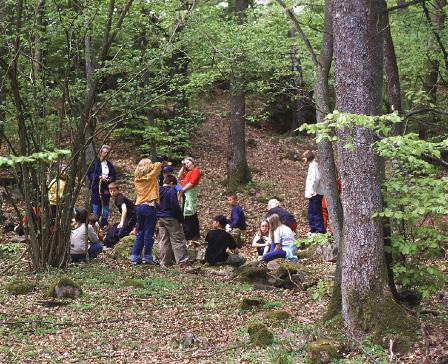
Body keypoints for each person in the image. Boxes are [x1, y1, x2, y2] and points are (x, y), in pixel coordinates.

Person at [130, 158, 162, 264]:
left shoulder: (137, 179)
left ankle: (135, 256)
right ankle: (147, 256)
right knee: (149, 232)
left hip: (139, 207)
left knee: (140, 232)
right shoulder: (150, 177)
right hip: (149, 207)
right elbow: (158, 164)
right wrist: (152, 166)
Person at [156, 175, 189, 266]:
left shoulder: (158, 189)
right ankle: (182, 262)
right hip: (171, 217)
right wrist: (180, 218)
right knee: (177, 239)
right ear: (171, 183)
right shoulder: (171, 190)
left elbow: (155, 203)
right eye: (174, 185)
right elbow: (175, 205)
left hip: (160, 218)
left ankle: (165, 262)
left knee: (164, 240)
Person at [87, 145, 116, 227]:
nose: (106, 154)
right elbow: (89, 175)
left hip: (106, 188)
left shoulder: (109, 164)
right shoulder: (95, 163)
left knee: (105, 206)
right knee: (96, 206)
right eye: (105, 152)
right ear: (101, 153)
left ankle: (104, 223)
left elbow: (114, 176)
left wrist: (109, 178)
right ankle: (94, 223)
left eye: (107, 152)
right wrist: (99, 177)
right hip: (96, 188)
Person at [103, 182, 137, 248]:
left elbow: (124, 209)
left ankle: (111, 244)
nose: (112, 192)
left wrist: (122, 222)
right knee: (116, 227)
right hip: (129, 216)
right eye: (111, 191)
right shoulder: (117, 197)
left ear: (117, 190)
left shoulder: (119, 198)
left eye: (114, 190)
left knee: (122, 232)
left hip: (133, 215)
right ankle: (108, 243)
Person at [178, 157, 201, 240]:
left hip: (189, 195)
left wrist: (182, 191)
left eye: (188, 163)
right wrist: (183, 167)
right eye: (186, 163)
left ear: (192, 162)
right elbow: (179, 177)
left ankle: (189, 234)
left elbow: (191, 183)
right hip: (184, 194)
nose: (187, 165)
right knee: (188, 213)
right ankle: (193, 233)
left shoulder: (196, 171)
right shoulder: (188, 172)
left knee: (189, 212)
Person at [302, 150, 325, 234]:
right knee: (311, 212)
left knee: (316, 212)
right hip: (313, 194)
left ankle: (319, 230)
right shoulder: (312, 165)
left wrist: (312, 191)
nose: (303, 159)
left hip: (315, 194)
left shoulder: (314, 166)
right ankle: (314, 229)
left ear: (308, 157)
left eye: (304, 157)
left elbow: (315, 179)